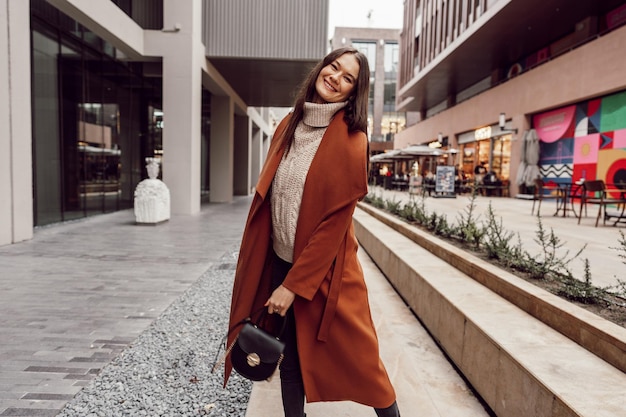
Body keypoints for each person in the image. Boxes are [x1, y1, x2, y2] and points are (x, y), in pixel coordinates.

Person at [223, 47, 401, 417]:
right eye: (333, 67)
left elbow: (334, 225)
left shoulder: (353, 140)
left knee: (364, 363)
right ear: (321, 68)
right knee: (288, 358)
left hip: (327, 272)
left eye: (347, 77)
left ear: (354, 92)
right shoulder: (288, 125)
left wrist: (292, 286)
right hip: (281, 261)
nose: (335, 77)